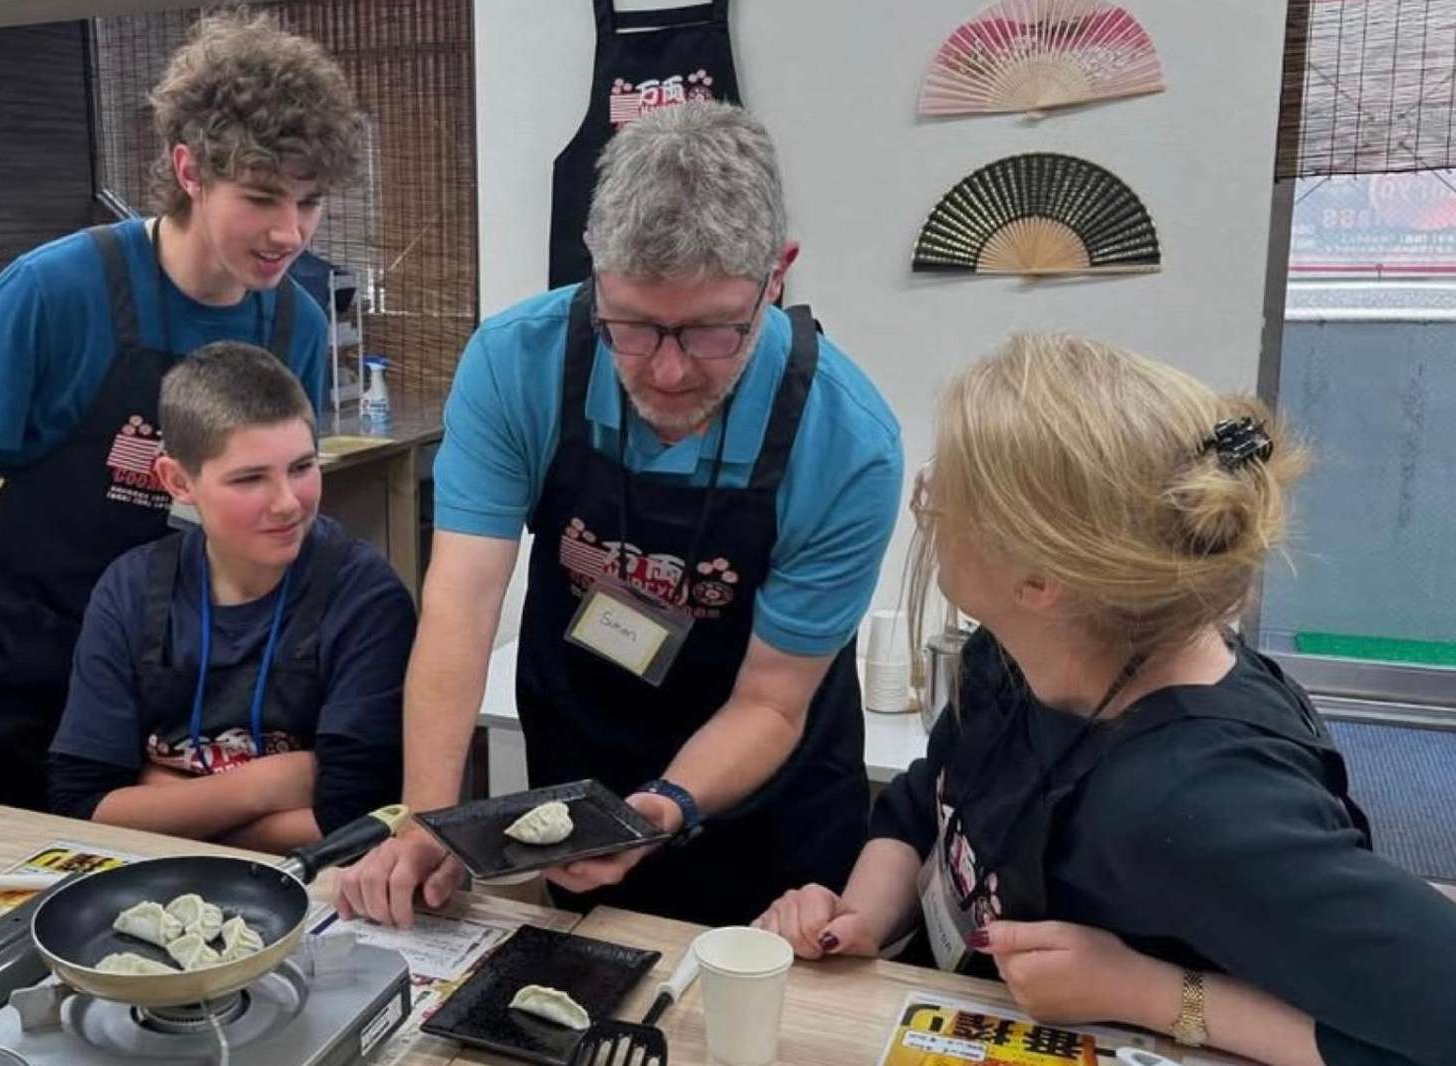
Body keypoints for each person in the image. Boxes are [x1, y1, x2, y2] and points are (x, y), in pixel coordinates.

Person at [755, 334, 1456, 1066]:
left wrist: (1149, 993)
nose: (925, 501)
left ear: (1039, 580)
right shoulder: (1013, 655)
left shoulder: (1203, 802)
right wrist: (862, 917)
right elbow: (929, 798)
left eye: (946, 492)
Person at [336, 100, 903, 928]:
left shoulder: (846, 443)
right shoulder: (517, 364)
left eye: (710, 332)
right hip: (583, 759)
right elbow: (460, 605)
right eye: (631, 326)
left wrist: (664, 807)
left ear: (777, 275)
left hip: (772, 809)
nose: (668, 372)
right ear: (594, 268)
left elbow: (772, 702)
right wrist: (428, 816)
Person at [0, 12, 364, 809]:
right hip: (23, 664)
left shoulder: (293, 328)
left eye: (309, 203)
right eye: (261, 198)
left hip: (181, 683)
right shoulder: (57, 290)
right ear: (189, 169)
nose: (289, 232)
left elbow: (272, 524)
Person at [46, 342, 412, 850]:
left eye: (302, 467)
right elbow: (80, 805)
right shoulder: (129, 589)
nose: (287, 503)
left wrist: (160, 795)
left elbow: (353, 820)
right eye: (250, 479)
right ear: (177, 481)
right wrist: (265, 785)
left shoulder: (365, 597)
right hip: (159, 876)